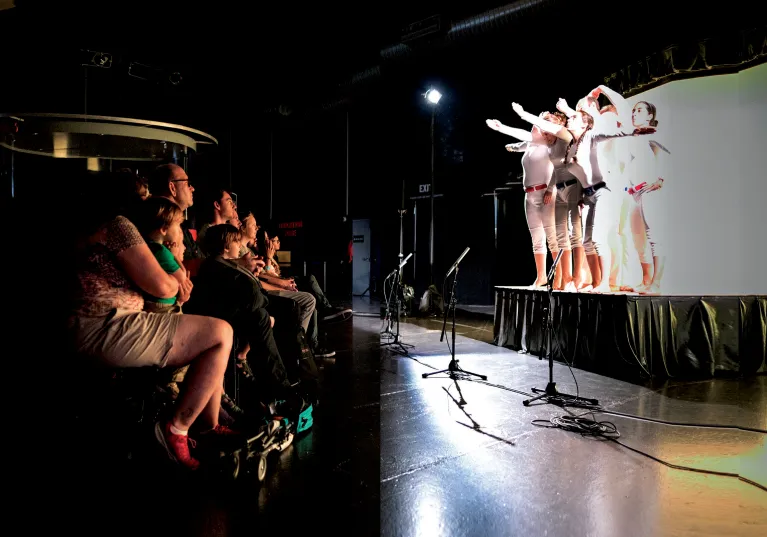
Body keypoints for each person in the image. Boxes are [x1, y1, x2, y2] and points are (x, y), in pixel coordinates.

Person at [68, 171, 235, 471]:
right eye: (143, 195)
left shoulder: (94, 228)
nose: (148, 202)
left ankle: (205, 424)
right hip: (107, 326)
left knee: (211, 331)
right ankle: (177, 430)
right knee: (221, 333)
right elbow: (162, 286)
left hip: (97, 325)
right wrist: (174, 281)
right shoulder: (120, 226)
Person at [486, 112, 562, 288]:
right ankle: (541, 276)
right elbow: (520, 142)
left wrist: (502, 127)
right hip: (529, 194)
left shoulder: (550, 145)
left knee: (552, 237)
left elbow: (558, 168)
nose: (534, 125)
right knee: (537, 238)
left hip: (546, 193)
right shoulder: (531, 144)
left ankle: (559, 275)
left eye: (539, 123)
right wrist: (512, 146)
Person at [131, 196, 192, 313]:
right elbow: (182, 277)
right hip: (163, 307)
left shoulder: (146, 246)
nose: (180, 230)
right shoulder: (161, 251)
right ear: (164, 229)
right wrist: (174, 255)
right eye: (178, 225)